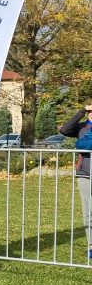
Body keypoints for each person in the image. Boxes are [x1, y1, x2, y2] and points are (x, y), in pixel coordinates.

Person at [60, 104, 92, 258]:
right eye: (90, 111)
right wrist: (82, 111)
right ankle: (91, 245)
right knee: (88, 210)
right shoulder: (82, 127)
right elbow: (64, 130)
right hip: (85, 173)